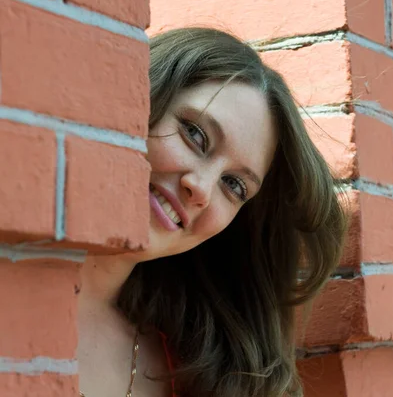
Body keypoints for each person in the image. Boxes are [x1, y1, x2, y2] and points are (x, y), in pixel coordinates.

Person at [77, 27, 348, 397]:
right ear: (140, 98)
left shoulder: (197, 372)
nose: (200, 188)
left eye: (234, 185)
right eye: (195, 135)